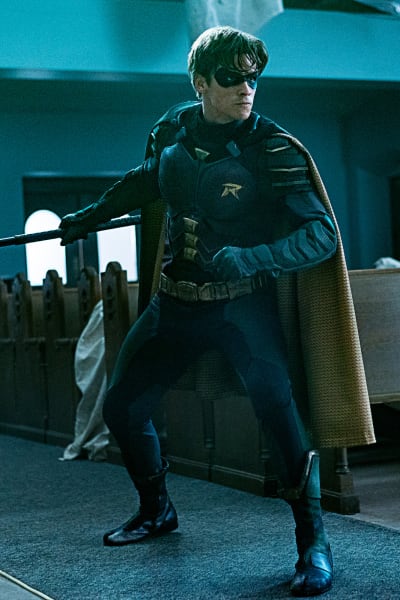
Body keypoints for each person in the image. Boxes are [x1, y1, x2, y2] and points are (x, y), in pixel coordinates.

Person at [59, 26, 375, 597]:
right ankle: (157, 510)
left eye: (254, 77)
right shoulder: (173, 130)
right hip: (175, 304)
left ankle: (314, 543)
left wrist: (254, 257)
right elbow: (148, 180)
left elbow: (321, 234)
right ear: (200, 82)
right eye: (231, 78)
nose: (246, 88)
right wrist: (89, 216)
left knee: (281, 418)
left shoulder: (272, 149)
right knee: (124, 408)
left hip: (242, 309)